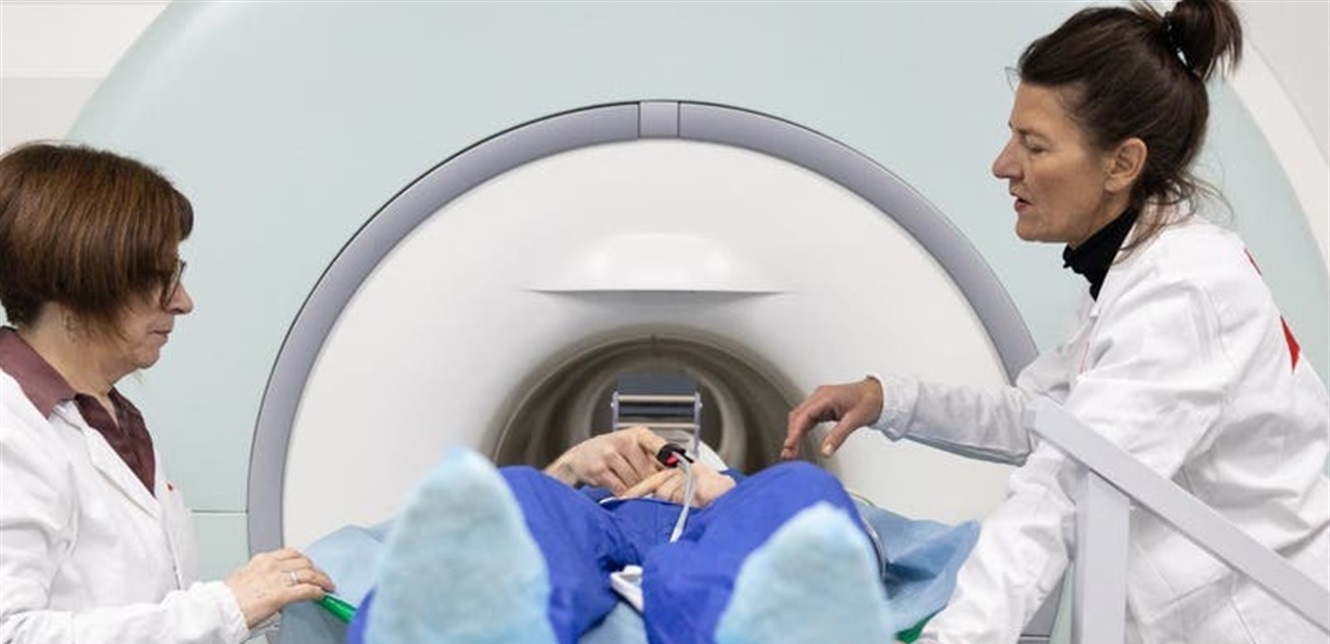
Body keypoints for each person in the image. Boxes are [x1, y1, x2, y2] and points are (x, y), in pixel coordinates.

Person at [783, 1, 1330, 642]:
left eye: (1034, 145)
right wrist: (889, 401)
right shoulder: (1136, 272)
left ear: (1121, 164)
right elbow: (1045, 419)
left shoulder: (1183, 294)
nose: (1003, 164)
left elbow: (1062, 485)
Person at [0, 142, 335, 643]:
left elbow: (145, 607)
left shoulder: (114, 420)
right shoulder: (12, 426)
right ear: (81, 281)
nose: (182, 302)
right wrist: (228, 606)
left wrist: (268, 601)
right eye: (160, 277)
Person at [334, 426, 976, 644]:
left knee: (805, 491)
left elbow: (863, 536)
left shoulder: (749, 488)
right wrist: (571, 467)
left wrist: (723, 489)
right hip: (598, 519)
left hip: (724, 521)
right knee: (515, 493)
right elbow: (538, 502)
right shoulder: (580, 491)